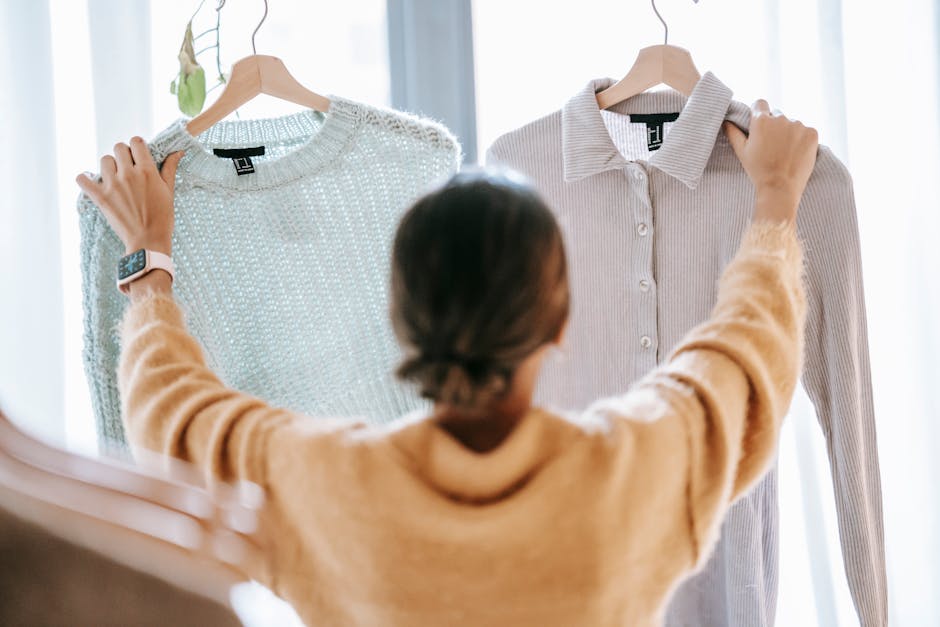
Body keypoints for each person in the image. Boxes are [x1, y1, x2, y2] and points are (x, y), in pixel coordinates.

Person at [76, 99, 817, 627]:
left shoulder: (328, 485)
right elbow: (744, 357)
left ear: (403, 325)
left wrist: (148, 264)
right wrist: (777, 200)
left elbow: (175, 414)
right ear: (558, 322)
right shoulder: (633, 472)